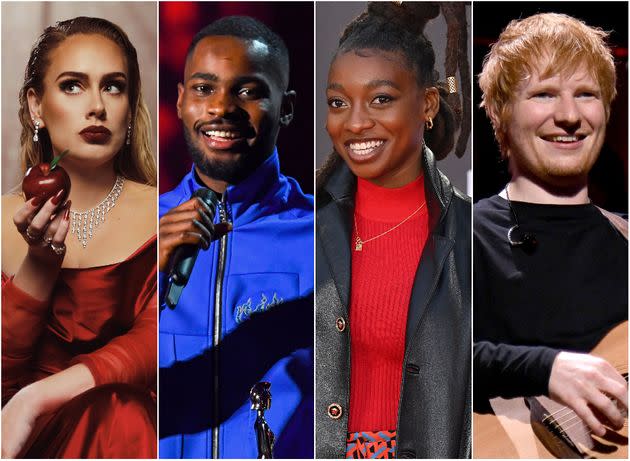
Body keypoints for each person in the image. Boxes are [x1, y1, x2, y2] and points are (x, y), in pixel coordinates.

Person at [316, 3, 471, 458]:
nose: (356, 122)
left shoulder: (471, 236)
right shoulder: (302, 225)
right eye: (338, 102)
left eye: (380, 98)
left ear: (426, 104)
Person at [1, 17, 157, 458]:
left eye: (113, 87)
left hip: (135, 434)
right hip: (31, 442)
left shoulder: (172, 214)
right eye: (72, 86)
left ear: (130, 105)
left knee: (119, 412)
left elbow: (158, 342)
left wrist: (37, 397)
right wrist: (39, 266)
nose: (96, 107)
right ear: (36, 106)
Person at [158, 16, 314, 459]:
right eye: (204, 88)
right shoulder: (135, 233)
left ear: (286, 106)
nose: (222, 107)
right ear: (181, 101)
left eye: (248, 91)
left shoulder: (327, 238)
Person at [474, 12, 628, 445]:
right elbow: (418, 357)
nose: (569, 116)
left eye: (586, 95)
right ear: (502, 115)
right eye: (544, 94)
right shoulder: (461, 235)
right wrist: (547, 367)